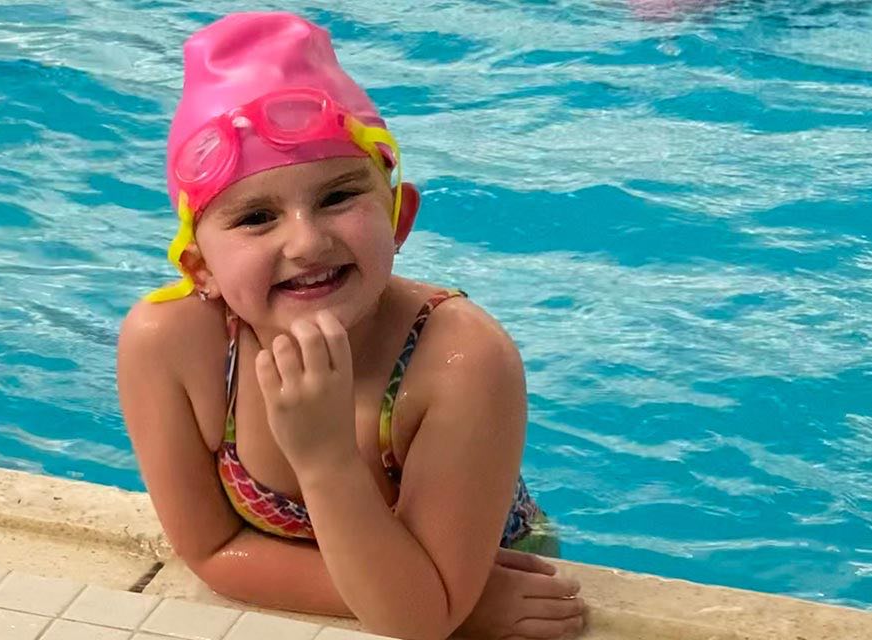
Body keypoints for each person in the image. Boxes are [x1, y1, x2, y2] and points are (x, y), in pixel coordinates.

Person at [117, 11, 585, 640]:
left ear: (398, 217)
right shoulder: (171, 345)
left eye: (338, 197)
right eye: (256, 217)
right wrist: (448, 605)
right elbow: (211, 551)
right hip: (447, 595)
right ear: (200, 268)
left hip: (494, 565)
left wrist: (327, 459)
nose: (307, 242)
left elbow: (418, 620)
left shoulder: (462, 361)